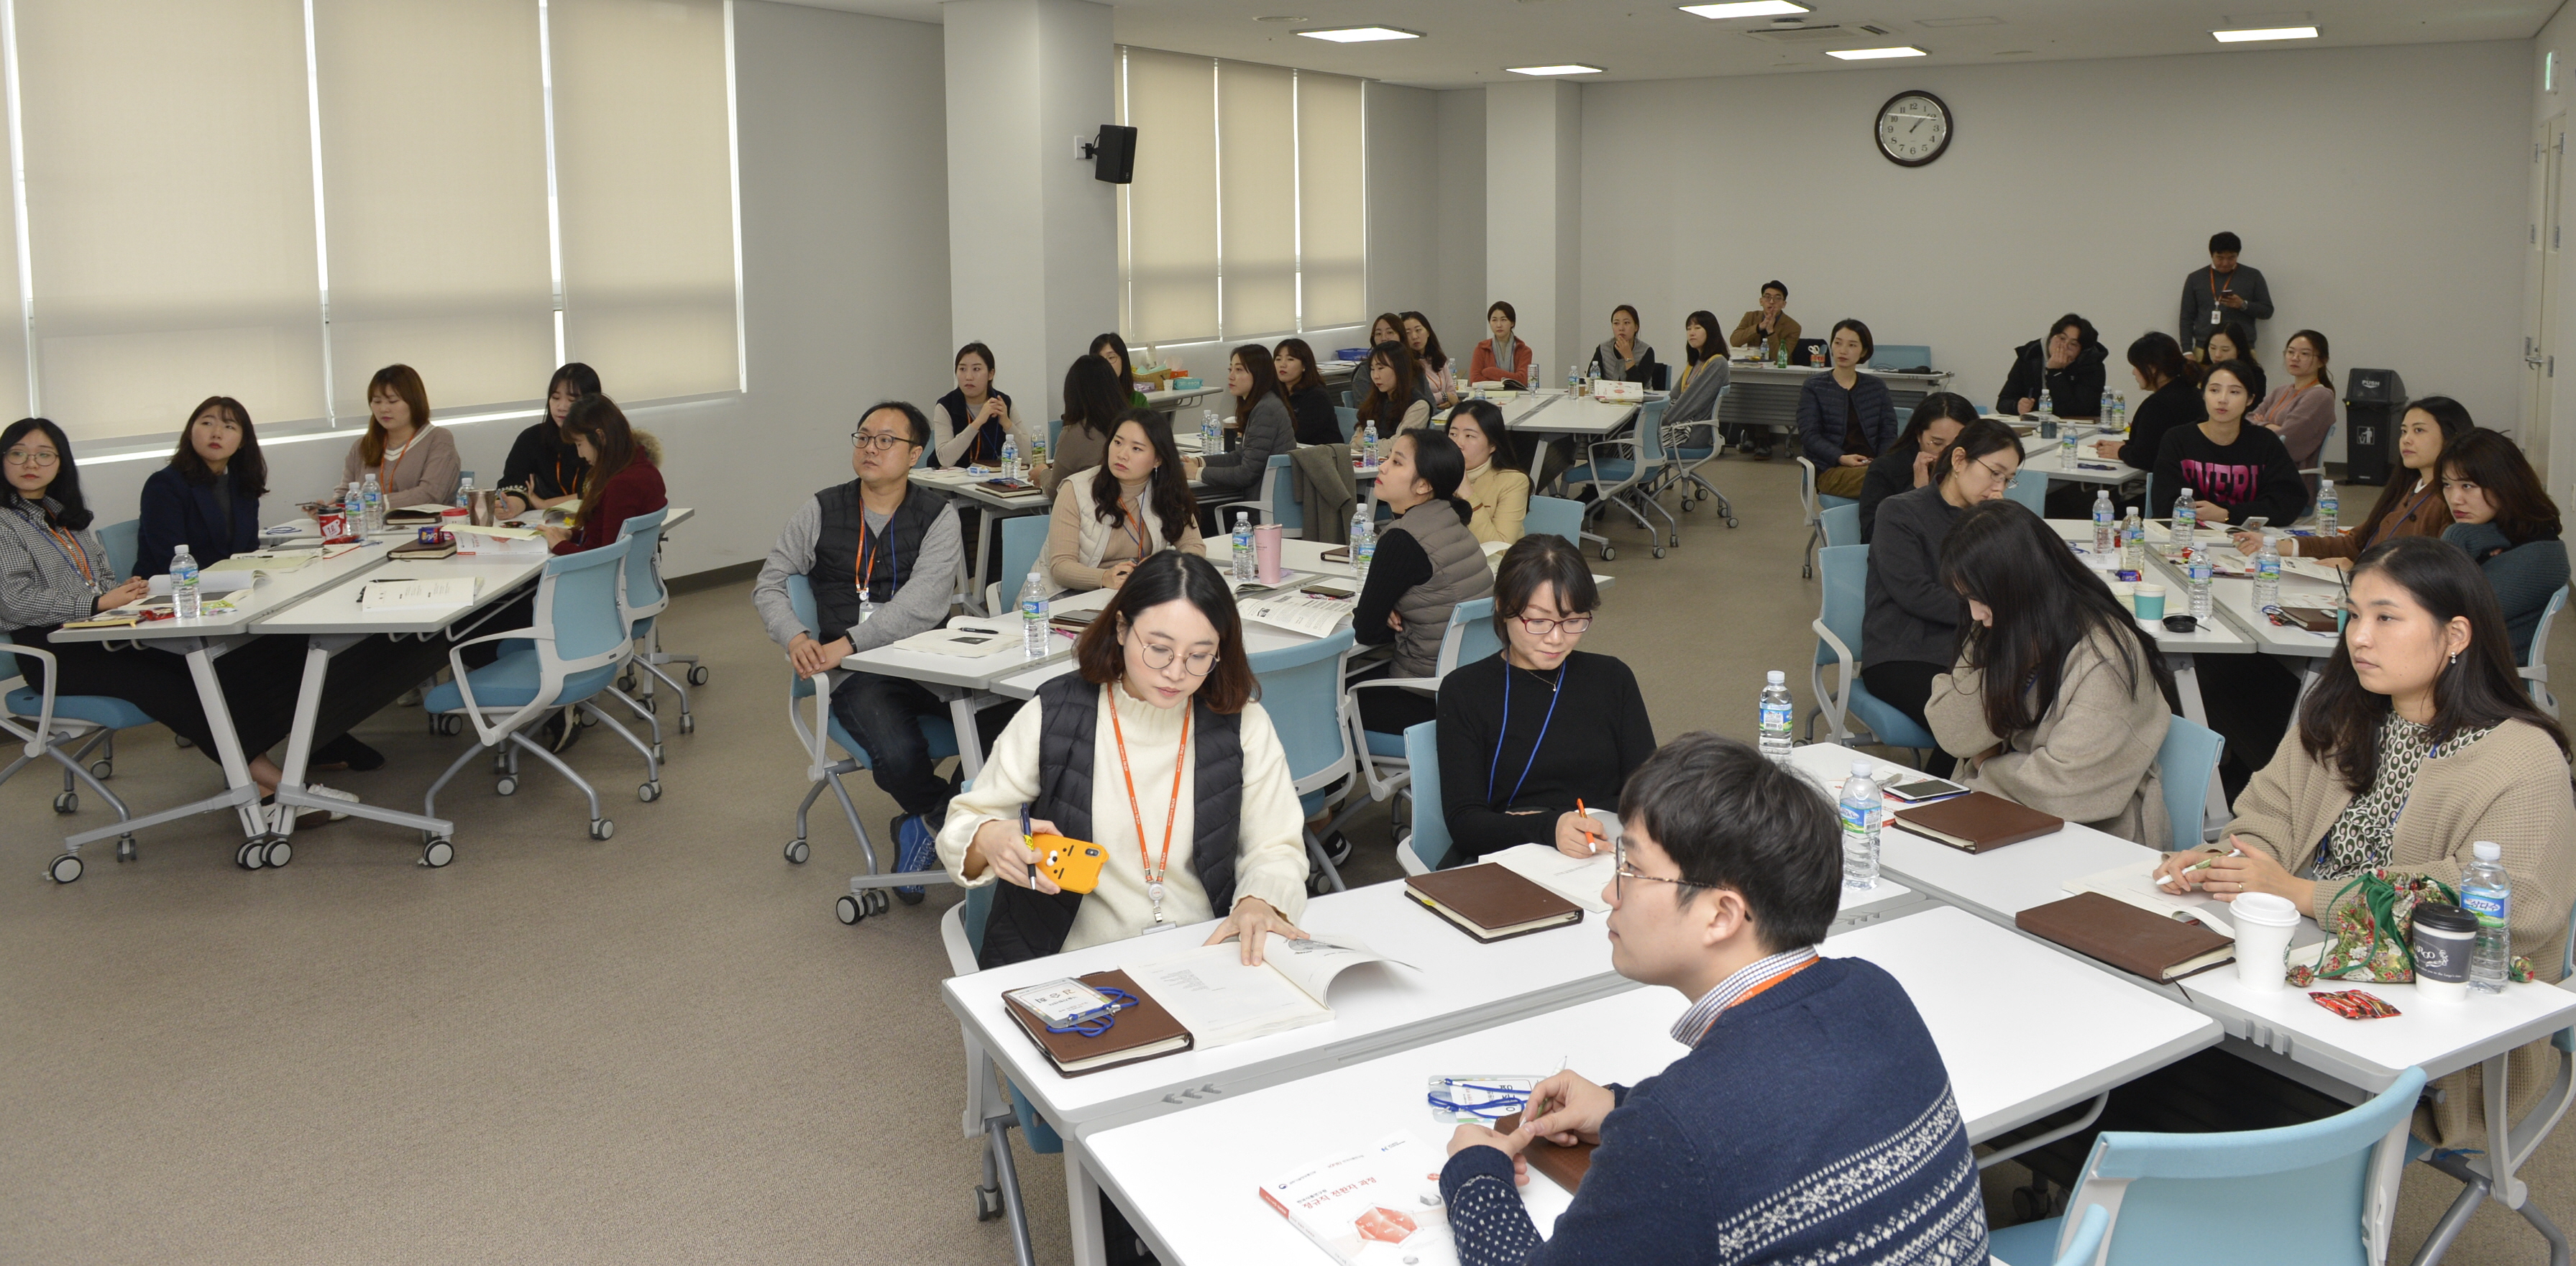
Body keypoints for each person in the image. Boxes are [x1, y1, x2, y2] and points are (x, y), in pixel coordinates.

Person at [1439, 731, 1988, 1266]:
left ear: (1721, 915)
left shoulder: (1678, 1133)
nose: (1610, 893)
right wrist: (1620, 1108)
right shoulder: (1874, 990)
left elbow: (1710, 1130)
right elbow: (1774, 1118)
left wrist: (1476, 1172)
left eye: (1629, 868)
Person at [2154, 536, 2573, 1148]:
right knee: (2164, 1039)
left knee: (2197, 1084)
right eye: (2353, 615)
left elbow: (2508, 908)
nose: (2358, 637)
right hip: (2298, 965)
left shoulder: (2522, 757)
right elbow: (2267, 811)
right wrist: (2234, 860)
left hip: (2439, 1012)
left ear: (2455, 636)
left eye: (2385, 618)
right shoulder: (2341, 714)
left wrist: (2302, 894)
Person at [938, 549, 1308, 965]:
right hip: (1070, 962)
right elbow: (960, 827)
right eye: (1158, 649)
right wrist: (988, 836)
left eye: (1200, 655)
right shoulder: (1055, 715)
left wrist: (1260, 901)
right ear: (1120, 629)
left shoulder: (1243, 723)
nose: (1176, 672)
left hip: (1205, 951)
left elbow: (1276, 848)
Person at [3, 418, 357, 825]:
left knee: (205, 664)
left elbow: (99, 581)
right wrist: (97, 602)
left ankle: (259, 784)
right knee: (169, 680)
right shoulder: (4, 523)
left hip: (99, 634)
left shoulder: (66, 518)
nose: (32, 462)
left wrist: (124, 596)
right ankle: (282, 787)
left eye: (44, 454)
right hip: (51, 652)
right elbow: (15, 603)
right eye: (18, 453)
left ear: (60, 463)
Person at [753, 401, 972, 901]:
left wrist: (845, 641)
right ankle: (956, 819)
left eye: (886, 440)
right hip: (856, 673)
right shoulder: (822, 509)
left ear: (916, 453)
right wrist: (795, 635)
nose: (870, 447)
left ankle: (932, 822)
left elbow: (923, 605)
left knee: (1009, 722)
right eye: (864, 437)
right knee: (896, 754)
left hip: (928, 661)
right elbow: (769, 583)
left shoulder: (937, 516)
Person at [1928, 501, 2178, 845]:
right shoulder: (2003, 624)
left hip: (2094, 839)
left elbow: (2066, 789)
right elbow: (1953, 733)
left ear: (2021, 589)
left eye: (1979, 598)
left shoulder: (2106, 654)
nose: (1975, 615)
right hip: (2001, 812)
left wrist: (1987, 765)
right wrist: (2017, 666)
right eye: (1966, 599)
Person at [1434, 536, 1654, 863]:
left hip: (1604, 853)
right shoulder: (1465, 691)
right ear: (1502, 608)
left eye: (1573, 621)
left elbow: (1649, 794)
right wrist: (1549, 828)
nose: (1556, 638)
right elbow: (1466, 824)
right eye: (1537, 621)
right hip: (1508, 859)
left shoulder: (1612, 678)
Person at [1863, 417, 2025, 777]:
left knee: (2024, 716)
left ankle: (1970, 805)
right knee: (1972, 728)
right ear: (1959, 459)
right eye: (1994, 473)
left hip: (1972, 655)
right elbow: (1914, 593)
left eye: (2007, 479)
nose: (1999, 488)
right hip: (1903, 653)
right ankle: (1939, 809)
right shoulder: (1900, 512)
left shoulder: (1989, 520)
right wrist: (1983, 609)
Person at [1352, 429, 1495, 734]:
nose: (1383, 466)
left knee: (1326, 695)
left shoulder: (1402, 539)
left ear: (1424, 485)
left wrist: (1387, 610)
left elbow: (1365, 630)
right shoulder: (1451, 518)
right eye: (1388, 457)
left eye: (1398, 463)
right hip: (1471, 689)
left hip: (1425, 696)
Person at [2245, 395, 2463, 565]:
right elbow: (2356, 542)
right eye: (2404, 431)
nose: (2406, 440)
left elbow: (2428, 572)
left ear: (2451, 435)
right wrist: (2280, 546)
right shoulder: (2410, 488)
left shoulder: (2451, 501)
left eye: (2419, 431)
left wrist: (2358, 571)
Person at [2440, 428, 2569, 662]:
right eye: (2447, 485)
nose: (2455, 498)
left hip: (2485, 682)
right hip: (2459, 665)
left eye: (2467, 486)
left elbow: (2443, 613)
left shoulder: (2539, 556)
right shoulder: (2495, 532)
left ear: (2504, 483)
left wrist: (2457, 535)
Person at [1043, 409, 1201, 593]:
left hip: (1134, 591)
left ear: (1158, 459)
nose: (1122, 455)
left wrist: (1166, 564)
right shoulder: (1076, 489)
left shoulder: (1166, 490)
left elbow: (1194, 546)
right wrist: (1104, 577)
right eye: (1117, 443)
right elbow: (1061, 567)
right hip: (1067, 596)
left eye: (1136, 449)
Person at [2154, 359, 2307, 529]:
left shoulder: (2265, 442)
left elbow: (2288, 503)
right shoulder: (2178, 439)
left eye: (2234, 392)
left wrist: (2227, 514)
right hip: (2188, 536)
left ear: (2250, 399)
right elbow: (2165, 505)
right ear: (2203, 394)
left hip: (2248, 538)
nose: (2222, 399)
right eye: (2214, 390)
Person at [137, 396, 266, 579]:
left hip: (232, 587)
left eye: (229, 426)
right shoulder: (164, 485)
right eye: (207, 423)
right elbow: (171, 561)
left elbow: (249, 550)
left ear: (242, 442)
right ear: (190, 432)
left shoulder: (243, 484)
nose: (217, 433)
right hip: (174, 592)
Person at [536, 396, 666, 556]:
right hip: (632, 575)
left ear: (600, 437)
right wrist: (572, 535)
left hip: (602, 577)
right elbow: (609, 533)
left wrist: (559, 545)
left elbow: (607, 556)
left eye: (579, 444)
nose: (580, 454)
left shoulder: (622, 485)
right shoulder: (646, 471)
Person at [1188, 343, 1295, 523]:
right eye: (1231, 369)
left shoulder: (1266, 409)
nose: (1231, 376)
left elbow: (1246, 473)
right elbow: (1242, 456)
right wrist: (1199, 461)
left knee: (1196, 515)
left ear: (1258, 374)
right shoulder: (1263, 404)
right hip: (1262, 503)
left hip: (1266, 512)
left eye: (1239, 370)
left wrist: (1197, 473)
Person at [1856, 391, 1976, 546]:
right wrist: (1917, 492)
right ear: (1919, 435)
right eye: (1937, 443)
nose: (1948, 453)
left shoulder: (1971, 470)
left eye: (1956, 444)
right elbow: (1873, 535)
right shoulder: (1886, 469)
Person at [1795, 318, 1897, 498]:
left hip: (1872, 466)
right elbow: (1810, 436)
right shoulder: (1814, 387)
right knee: (1887, 480)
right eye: (1838, 343)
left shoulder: (1876, 387)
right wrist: (1841, 457)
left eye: (1852, 345)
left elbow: (1888, 434)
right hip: (1831, 469)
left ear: (1864, 351)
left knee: (1904, 473)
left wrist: (1880, 463)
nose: (1843, 350)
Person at [338, 364, 459, 510]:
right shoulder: (362, 446)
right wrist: (329, 509)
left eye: (392, 401)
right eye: (377, 401)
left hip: (425, 529)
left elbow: (430, 494)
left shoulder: (438, 439)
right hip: (372, 529)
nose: (383, 409)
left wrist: (374, 503)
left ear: (413, 402)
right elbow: (345, 495)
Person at [2094, 332, 2205, 479]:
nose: (2134, 373)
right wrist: (2123, 446)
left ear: (2152, 367)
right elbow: (2154, 441)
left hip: (2170, 483)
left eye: (2136, 367)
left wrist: (2121, 452)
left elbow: (2145, 458)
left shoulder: (2159, 405)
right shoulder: (2192, 392)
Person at [498, 363, 599, 517]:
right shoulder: (532, 438)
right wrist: (513, 505)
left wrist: (545, 504)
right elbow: (514, 484)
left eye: (572, 400)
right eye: (555, 398)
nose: (561, 407)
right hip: (544, 523)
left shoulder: (604, 439)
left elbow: (598, 490)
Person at [2248, 329, 2337, 470]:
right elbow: (2248, 421)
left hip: (2291, 476)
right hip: (2263, 468)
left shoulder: (2320, 396)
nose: (2295, 358)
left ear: (2322, 361)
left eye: (2304, 354)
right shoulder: (2281, 391)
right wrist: (2271, 427)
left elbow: (2288, 440)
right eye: (2290, 352)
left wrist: (2262, 424)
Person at [1042, 354, 1129, 497]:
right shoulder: (1132, 425)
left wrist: (1042, 474)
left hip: (1092, 514)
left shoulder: (1076, 434)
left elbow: (1056, 490)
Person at [930, 342, 1025, 469]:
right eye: (962, 369)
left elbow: (1029, 457)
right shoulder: (946, 406)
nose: (968, 377)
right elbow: (945, 460)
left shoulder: (1003, 402)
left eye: (976, 369)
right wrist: (978, 421)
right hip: (955, 483)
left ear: (991, 374)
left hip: (995, 480)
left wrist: (1007, 423)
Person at [1447, 400, 1529, 546]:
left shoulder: (1513, 481)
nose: (1458, 444)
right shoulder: (1437, 475)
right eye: (1453, 434)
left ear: (1492, 445)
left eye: (1469, 436)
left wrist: (1468, 495)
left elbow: (1500, 550)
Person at [2181, 231, 2275, 357]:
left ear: (2238, 255)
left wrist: (2243, 305)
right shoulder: (2195, 278)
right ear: (2212, 255)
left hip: (2242, 349)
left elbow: (2267, 311)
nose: (2225, 263)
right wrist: (2187, 351)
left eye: (2231, 258)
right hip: (2205, 349)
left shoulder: (2253, 276)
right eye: (2220, 258)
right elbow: (2186, 317)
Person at [1997, 313, 2107, 418]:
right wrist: (2017, 407)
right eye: (2062, 338)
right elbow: (2003, 402)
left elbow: (2074, 410)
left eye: (2073, 344)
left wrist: (2055, 372)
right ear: (2052, 336)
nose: (2064, 346)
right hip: (2034, 426)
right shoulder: (2030, 355)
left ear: (2081, 351)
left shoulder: (2092, 365)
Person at [1664, 310, 1731, 439]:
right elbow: (1674, 395)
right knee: (1629, 439)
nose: (1691, 333)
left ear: (1710, 332)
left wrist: (1662, 420)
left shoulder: (1717, 363)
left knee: (1633, 444)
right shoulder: (1695, 362)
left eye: (1697, 328)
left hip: (1692, 432)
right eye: (1689, 329)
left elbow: (1691, 402)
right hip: (1677, 425)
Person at [1354, 339, 1431, 439]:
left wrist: (1365, 443)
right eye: (1372, 369)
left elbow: (1399, 445)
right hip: (1370, 454)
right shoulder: (1375, 401)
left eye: (1381, 368)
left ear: (1399, 369)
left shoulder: (1419, 405)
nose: (1375, 376)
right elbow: (1354, 442)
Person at [1273, 338, 1342, 446]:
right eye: (1278, 359)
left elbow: (1298, 435)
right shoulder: (1275, 394)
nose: (1283, 364)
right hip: (1292, 453)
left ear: (1304, 365)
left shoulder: (1317, 397)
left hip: (1321, 456)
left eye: (1290, 359)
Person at [1728, 279, 1801, 363]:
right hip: (1752, 367)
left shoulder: (1794, 327)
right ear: (1761, 301)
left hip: (1779, 372)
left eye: (1777, 298)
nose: (1772, 302)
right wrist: (1759, 327)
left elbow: (1780, 359)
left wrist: (1771, 332)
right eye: (1767, 297)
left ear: (1784, 304)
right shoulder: (1750, 317)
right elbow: (1734, 341)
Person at [2191, 321, 2268, 401]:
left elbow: (2256, 409)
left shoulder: (2255, 376)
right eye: (2213, 348)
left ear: (2239, 350)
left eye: (2225, 350)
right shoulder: (2200, 372)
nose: (2217, 355)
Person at [1469, 301, 1536, 388]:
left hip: (1519, 397)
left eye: (1504, 320)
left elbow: (1522, 381)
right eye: (1494, 320)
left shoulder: (1524, 351)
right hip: (1488, 397)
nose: (1499, 325)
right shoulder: (1481, 349)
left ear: (1512, 323)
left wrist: (1491, 372)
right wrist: (1507, 383)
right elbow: (1475, 380)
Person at [1587, 305, 1656, 386]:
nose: (1621, 328)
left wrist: (1628, 356)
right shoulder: (1603, 349)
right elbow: (1591, 379)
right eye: (1616, 323)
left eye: (1626, 323)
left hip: (1640, 398)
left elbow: (1638, 386)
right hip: (1608, 397)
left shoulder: (1646, 351)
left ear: (1636, 327)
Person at [1402, 311, 1457, 410]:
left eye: (1418, 330)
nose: (1414, 337)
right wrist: (1444, 396)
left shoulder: (1437, 358)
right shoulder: (1405, 364)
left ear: (1428, 332)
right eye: (1408, 333)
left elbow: (1453, 394)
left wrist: (1449, 401)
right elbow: (1416, 400)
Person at [1091, 331, 1152, 408]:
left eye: (1111, 357)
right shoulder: (1087, 400)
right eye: (1100, 359)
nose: (1106, 364)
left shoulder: (1137, 399)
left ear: (1123, 360)